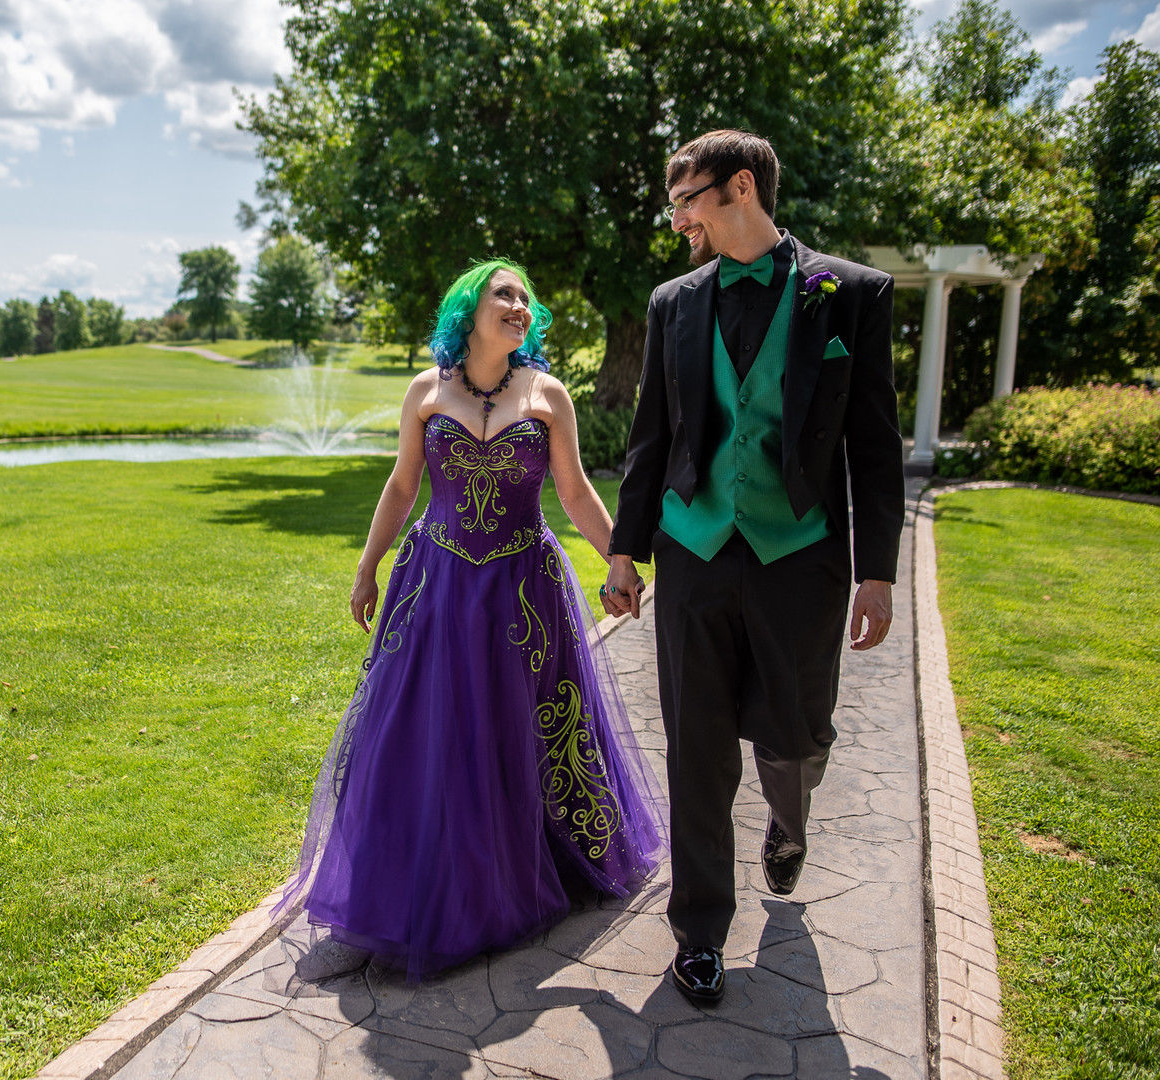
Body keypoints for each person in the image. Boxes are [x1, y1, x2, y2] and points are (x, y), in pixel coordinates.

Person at [278, 259, 666, 981]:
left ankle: (512, 879)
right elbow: (401, 486)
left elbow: (575, 492)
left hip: (524, 588)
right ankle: (382, 896)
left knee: (519, 730)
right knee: (416, 732)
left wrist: (618, 558)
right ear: (469, 309)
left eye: (525, 297)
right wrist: (367, 567)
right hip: (436, 582)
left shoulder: (546, 393)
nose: (520, 306)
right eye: (504, 295)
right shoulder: (425, 391)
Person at [600, 130, 903, 1004]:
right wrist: (626, 551)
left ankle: (789, 809)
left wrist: (875, 572)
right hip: (694, 550)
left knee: (798, 731)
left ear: (738, 187)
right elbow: (651, 437)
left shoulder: (850, 294)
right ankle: (698, 932)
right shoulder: (673, 303)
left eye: (684, 197)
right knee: (696, 747)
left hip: (798, 555)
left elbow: (874, 447)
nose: (676, 216)